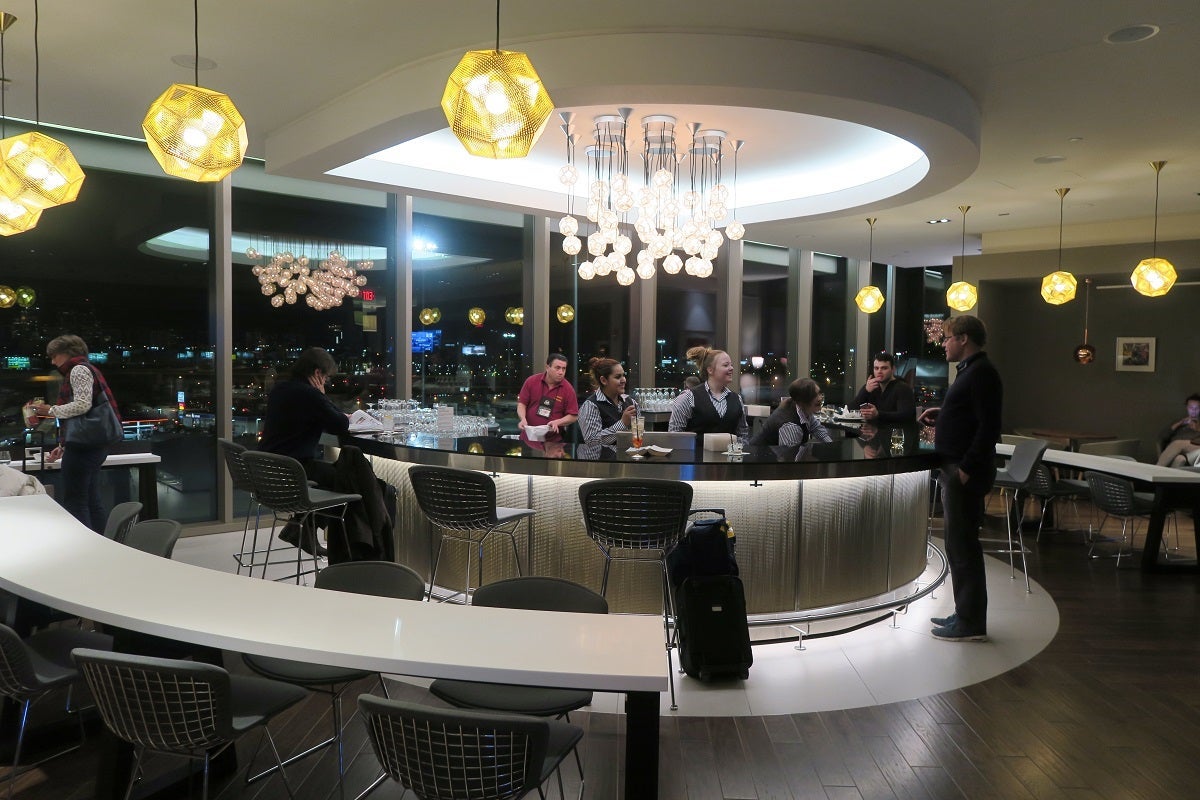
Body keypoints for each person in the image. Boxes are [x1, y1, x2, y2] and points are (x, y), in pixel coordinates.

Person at [917, 316, 1002, 643]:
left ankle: (970, 622)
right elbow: (973, 417)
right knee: (957, 546)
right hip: (957, 468)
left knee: (963, 547)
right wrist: (946, 414)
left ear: (964, 339)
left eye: (948, 338)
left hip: (964, 472)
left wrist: (966, 468)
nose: (944, 344)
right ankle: (964, 613)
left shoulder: (982, 373)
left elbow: (989, 427)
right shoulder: (971, 371)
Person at [32, 335, 121, 533]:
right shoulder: (88, 369)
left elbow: (82, 405)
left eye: (54, 356)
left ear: (67, 353)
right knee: (90, 498)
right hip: (93, 444)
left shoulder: (78, 370)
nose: (53, 361)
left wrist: (51, 410)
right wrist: (64, 445)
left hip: (84, 448)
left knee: (76, 501)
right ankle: (100, 542)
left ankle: (85, 544)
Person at [668, 346, 749, 439]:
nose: (731, 368)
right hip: (696, 449)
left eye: (731, 365)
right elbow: (675, 435)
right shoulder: (688, 397)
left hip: (729, 449)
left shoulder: (737, 399)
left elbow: (743, 435)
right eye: (726, 365)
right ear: (710, 370)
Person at [516, 353, 579, 443]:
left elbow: (573, 416)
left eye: (563, 369)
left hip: (553, 442)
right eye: (557, 368)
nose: (561, 372)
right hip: (528, 438)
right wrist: (523, 419)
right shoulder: (531, 381)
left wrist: (558, 422)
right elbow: (522, 403)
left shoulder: (568, 389)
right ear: (547, 367)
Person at [751, 378, 831, 447]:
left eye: (819, 393)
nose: (820, 398)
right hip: (759, 458)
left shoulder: (803, 410)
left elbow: (817, 428)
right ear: (803, 401)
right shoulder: (790, 426)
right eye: (814, 395)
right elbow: (789, 457)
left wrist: (830, 445)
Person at [577, 357, 637, 445]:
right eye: (618, 377)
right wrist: (622, 423)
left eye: (623, 375)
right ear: (604, 380)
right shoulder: (591, 405)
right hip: (600, 454)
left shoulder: (631, 402)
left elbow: (639, 434)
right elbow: (591, 441)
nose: (623, 380)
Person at [852, 351, 915, 424]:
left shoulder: (902, 388)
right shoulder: (871, 386)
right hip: (873, 429)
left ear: (893, 369)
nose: (879, 371)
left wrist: (878, 414)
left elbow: (905, 416)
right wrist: (865, 391)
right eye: (876, 368)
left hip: (895, 430)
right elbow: (851, 409)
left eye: (884, 368)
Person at [1156, 393, 1200, 467]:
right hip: (1178, 453)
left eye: (1197, 408)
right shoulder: (1179, 422)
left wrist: (1197, 429)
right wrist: (1179, 423)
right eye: (1191, 407)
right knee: (1179, 459)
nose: (1194, 410)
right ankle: (1164, 474)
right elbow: (1162, 437)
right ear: (1187, 407)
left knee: (1178, 443)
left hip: (1194, 450)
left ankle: (1156, 469)